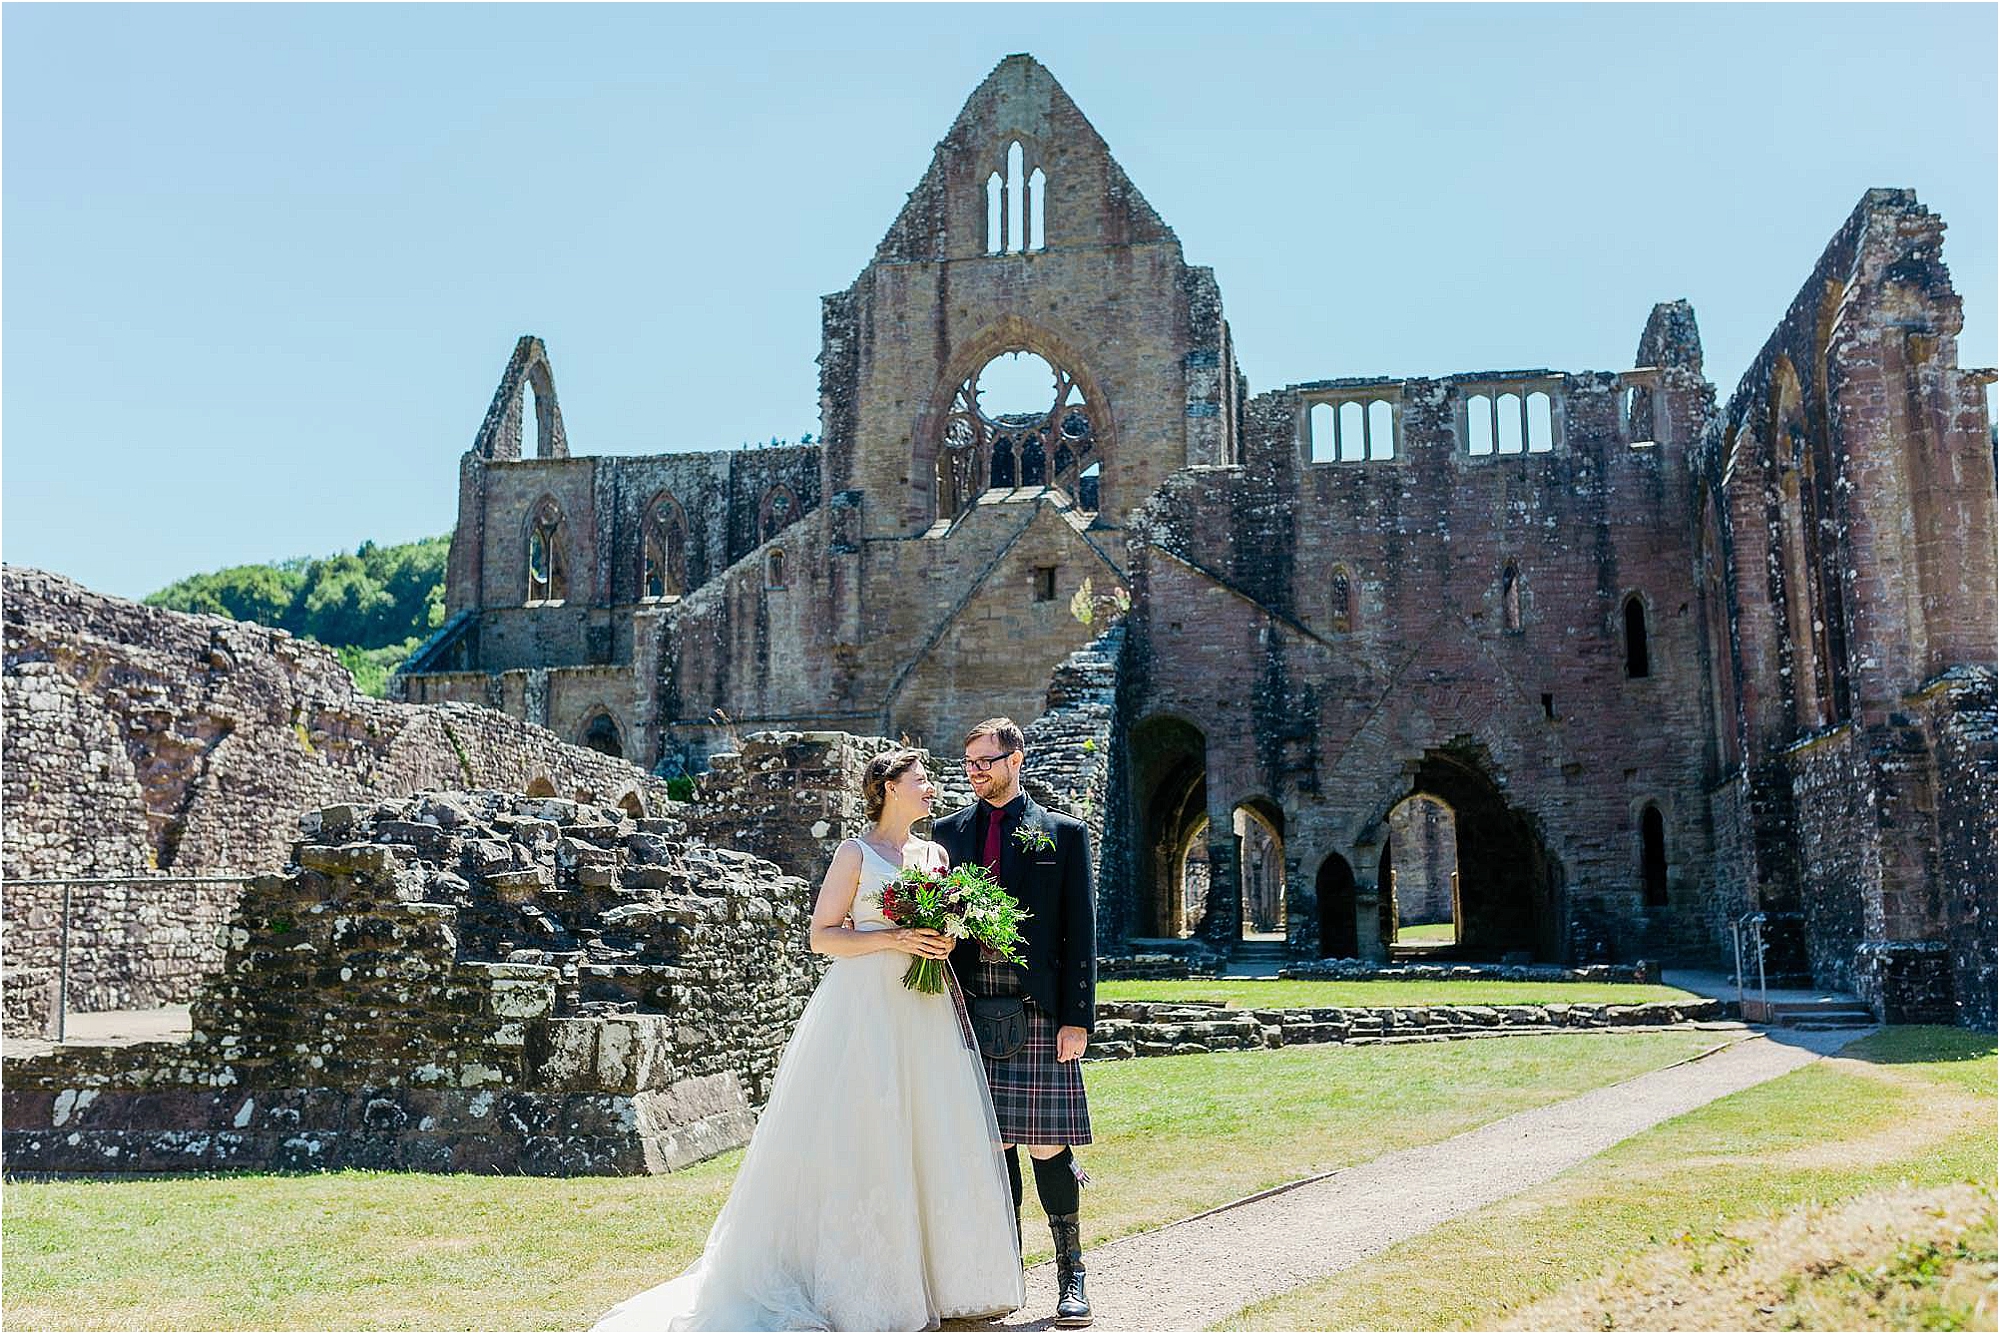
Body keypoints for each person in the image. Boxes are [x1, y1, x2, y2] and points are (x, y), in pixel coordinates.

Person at [592, 749, 1025, 1332]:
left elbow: (940, 925)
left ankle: (944, 1280)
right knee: (866, 1130)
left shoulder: (936, 855)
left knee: (930, 1125)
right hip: (865, 1004)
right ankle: (867, 1287)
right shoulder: (856, 853)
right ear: (889, 788)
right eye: (921, 779)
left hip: (924, 1006)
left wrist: (942, 940)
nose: (932, 787)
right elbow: (823, 936)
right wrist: (894, 937)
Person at [932, 718, 1097, 1328]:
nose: (974, 772)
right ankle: (1003, 1270)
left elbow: (1079, 933)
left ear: (1015, 760)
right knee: (990, 1147)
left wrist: (1077, 1017)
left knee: (1047, 1144)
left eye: (985, 761)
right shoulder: (946, 834)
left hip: (1038, 1009)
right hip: (970, 1006)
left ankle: (1071, 1272)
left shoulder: (1063, 834)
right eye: (968, 763)